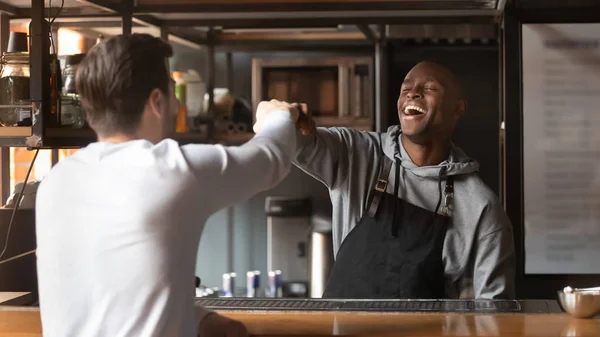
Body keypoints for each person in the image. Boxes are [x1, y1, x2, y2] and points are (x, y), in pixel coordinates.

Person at [35, 34, 301, 337]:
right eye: (172, 94)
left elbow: (112, 291)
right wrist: (278, 115)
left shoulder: (55, 182)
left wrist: (199, 318)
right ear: (156, 102)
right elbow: (271, 158)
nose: (176, 104)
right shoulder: (174, 170)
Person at [262, 60, 515, 299]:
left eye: (428, 88)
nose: (412, 93)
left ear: (458, 108)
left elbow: (492, 316)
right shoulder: (356, 154)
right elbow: (287, 136)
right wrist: (281, 115)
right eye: (406, 88)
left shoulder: (481, 208)